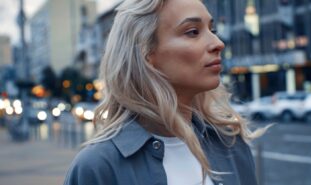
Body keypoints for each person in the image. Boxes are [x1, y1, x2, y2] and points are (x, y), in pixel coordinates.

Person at [64, 0, 267, 184]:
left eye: (212, 29)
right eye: (193, 32)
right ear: (145, 53)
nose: (218, 43)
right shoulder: (97, 167)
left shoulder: (230, 144)